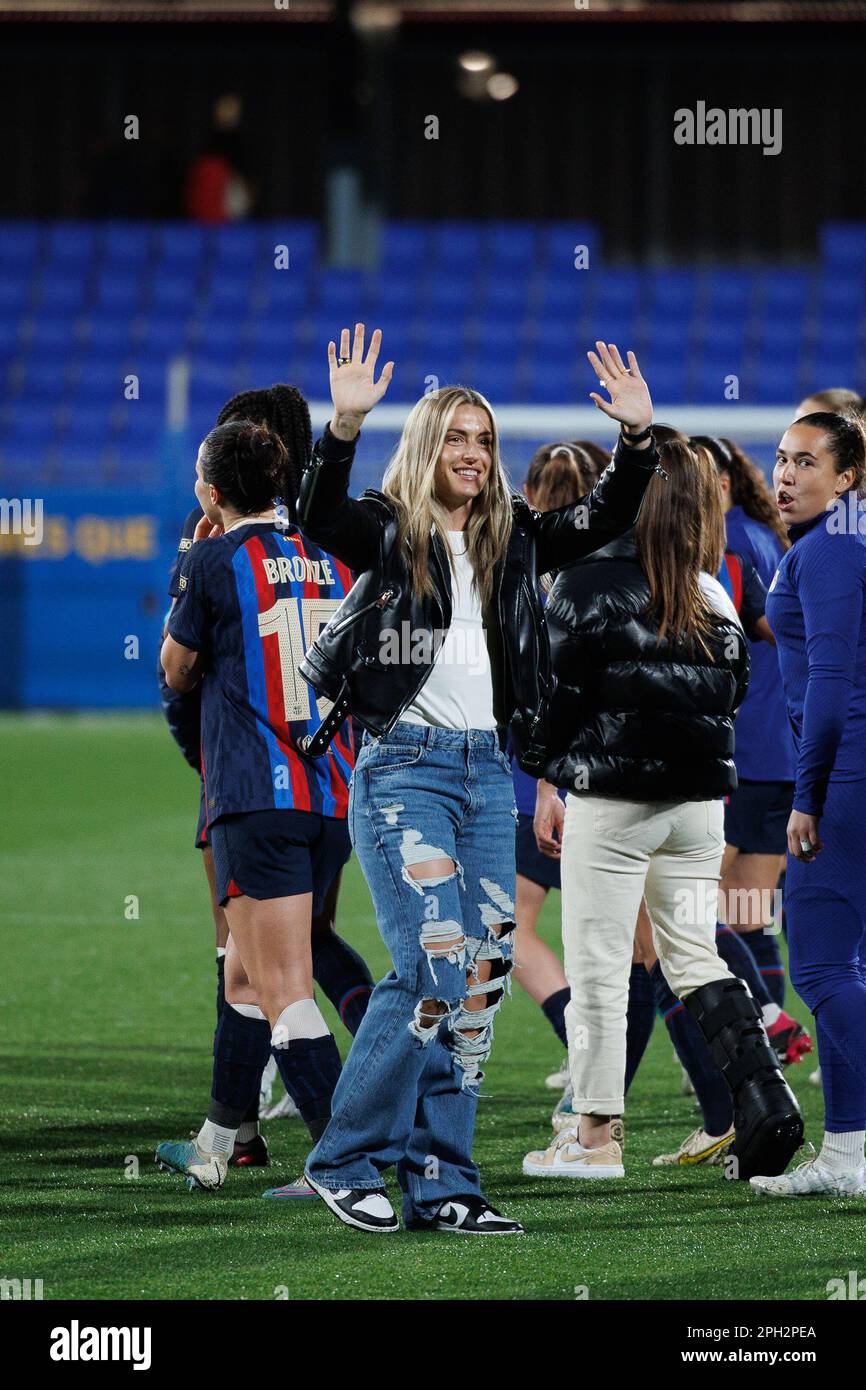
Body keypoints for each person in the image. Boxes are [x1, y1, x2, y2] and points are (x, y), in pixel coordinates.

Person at [293, 328, 662, 1234]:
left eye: (483, 440)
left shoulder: (516, 539)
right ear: (426, 446)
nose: (471, 453)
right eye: (456, 437)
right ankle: (345, 1158)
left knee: (482, 979)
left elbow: (607, 516)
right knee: (433, 965)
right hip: (404, 774)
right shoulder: (386, 530)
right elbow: (318, 516)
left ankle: (444, 1178)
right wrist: (341, 426)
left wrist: (638, 441)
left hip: (483, 776)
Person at [523, 421, 803, 1182]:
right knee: (695, 955)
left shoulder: (583, 583)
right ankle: (764, 1098)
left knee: (602, 964)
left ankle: (593, 1139)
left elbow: (552, 701)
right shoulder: (711, 589)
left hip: (613, 808)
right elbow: (736, 688)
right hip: (698, 812)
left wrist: (544, 770)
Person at [157, 385, 375, 1154]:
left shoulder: (212, 552)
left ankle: (348, 1155)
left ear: (214, 490)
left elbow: (176, 672)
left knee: (276, 980)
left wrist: (207, 766)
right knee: (256, 970)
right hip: (333, 788)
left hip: (250, 788)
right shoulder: (334, 552)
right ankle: (222, 1140)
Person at [750, 411, 866, 1198]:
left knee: (820, 967)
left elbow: (827, 685)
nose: (785, 476)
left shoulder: (825, 552)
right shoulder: (847, 545)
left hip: (846, 776)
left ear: (848, 478)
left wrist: (809, 794)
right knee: (849, 967)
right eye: (781, 460)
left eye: (806, 463)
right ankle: (847, 1154)